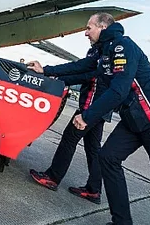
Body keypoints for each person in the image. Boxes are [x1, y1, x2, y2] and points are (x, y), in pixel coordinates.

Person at [29, 13, 150, 225]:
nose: (86, 32)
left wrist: (87, 115)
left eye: (89, 27)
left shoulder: (122, 46)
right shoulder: (104, 51)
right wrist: (46, 70)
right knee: (107, 158)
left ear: (102, 26)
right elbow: (81, 67)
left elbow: (119, 90)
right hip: (134, 119)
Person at [29, 62, 108, 204]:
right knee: (93, 149)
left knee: (69, 139)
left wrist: (56, 77)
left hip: (91, 107)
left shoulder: (103, 53)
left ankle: (52, 178)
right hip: (101, 109)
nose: (87, 37)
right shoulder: (104, 52)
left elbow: (85, 73)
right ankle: (94, 190)